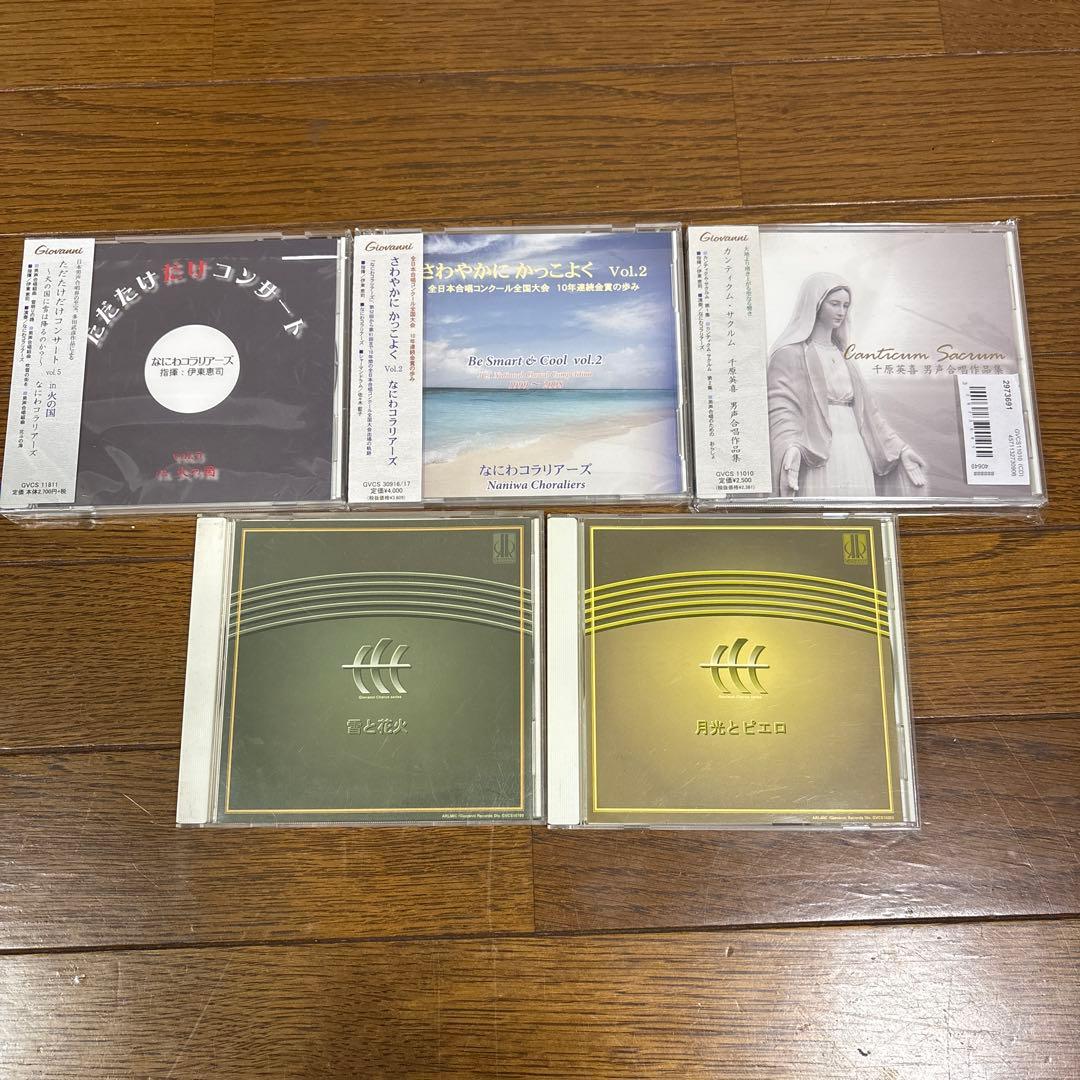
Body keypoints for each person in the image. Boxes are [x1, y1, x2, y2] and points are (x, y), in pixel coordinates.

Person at [767, 272, 927, 497]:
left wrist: (900, 449)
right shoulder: (789, 354)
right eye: (834, 304)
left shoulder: (846, 357)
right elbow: (782, 409)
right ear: (816, 304)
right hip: (817, 452)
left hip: (855, 448)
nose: (841, 311)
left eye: (845, 305)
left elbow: (870, 414)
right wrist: (790, 446)